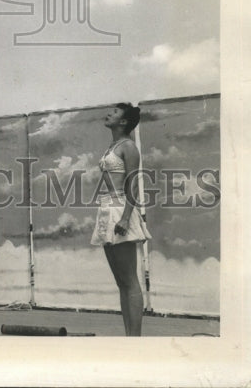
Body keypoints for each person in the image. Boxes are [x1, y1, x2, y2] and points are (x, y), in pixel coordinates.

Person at [91, 102, 151, 336]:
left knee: (130, 280)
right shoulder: (112, 146)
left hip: (120, 210)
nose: (109, 113)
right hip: (106, 209)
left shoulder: (129, 147)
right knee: (121, 282)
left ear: (124, 122)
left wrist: (126, 218)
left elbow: (133, 184)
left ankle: (135, 339)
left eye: (115, 112)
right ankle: (129, 336)